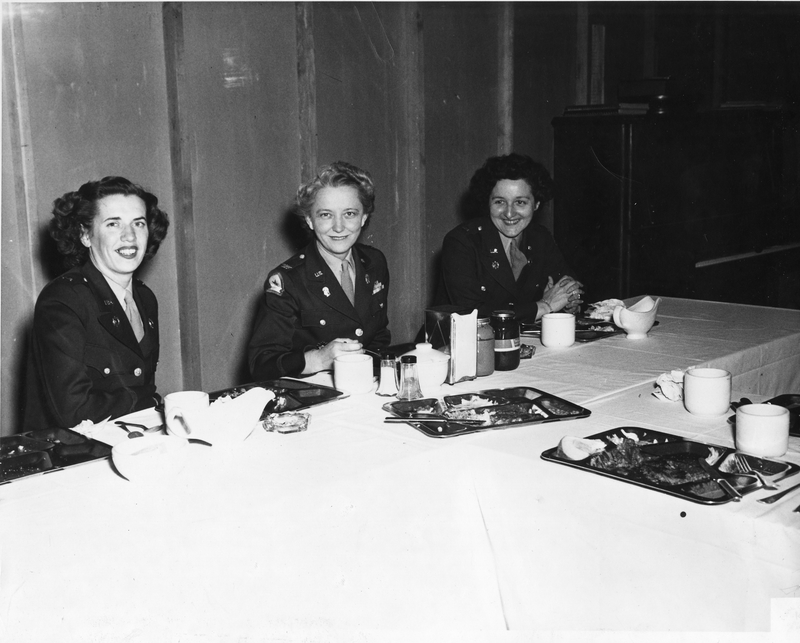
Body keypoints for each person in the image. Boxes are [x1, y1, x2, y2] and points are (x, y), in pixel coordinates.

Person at [24, 176, 170, 430]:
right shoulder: (63, 300)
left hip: (129, 439)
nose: (129, 236)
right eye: (113, 224)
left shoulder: (145, 298)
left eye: (139, 223)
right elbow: (74, 412)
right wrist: (150, 401)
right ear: (85, 235)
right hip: (74, 449)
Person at [248, 161, 391, 379]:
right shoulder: (288, 280)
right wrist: (318, 359)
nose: (339, 227)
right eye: (326, 215)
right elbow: (261, 364)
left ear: (363, 217)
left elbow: (379, 338)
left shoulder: (374, 262)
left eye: (349, 213)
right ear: (310, 220)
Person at [435, 153, 583, 321]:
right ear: (488, 203)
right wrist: (545, 306)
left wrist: (570, 300)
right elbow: (471, 315)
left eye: (520, 202)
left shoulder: (540, 238)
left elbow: (568, 283)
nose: (509, 213)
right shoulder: (461, 242)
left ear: (536, 204)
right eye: (499, 202)